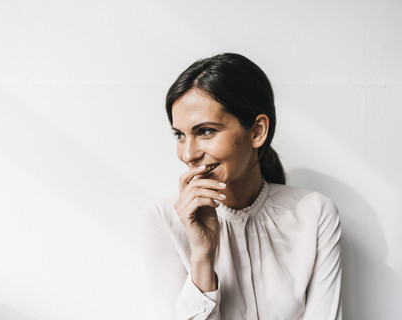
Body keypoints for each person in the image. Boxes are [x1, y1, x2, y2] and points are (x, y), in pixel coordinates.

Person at [140, 53, 342, 320]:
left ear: (257, 131)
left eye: (206, 131)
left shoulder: (315, 213)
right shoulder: (162, 219)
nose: (188, 154)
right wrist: (202, 255)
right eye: (180, 135)